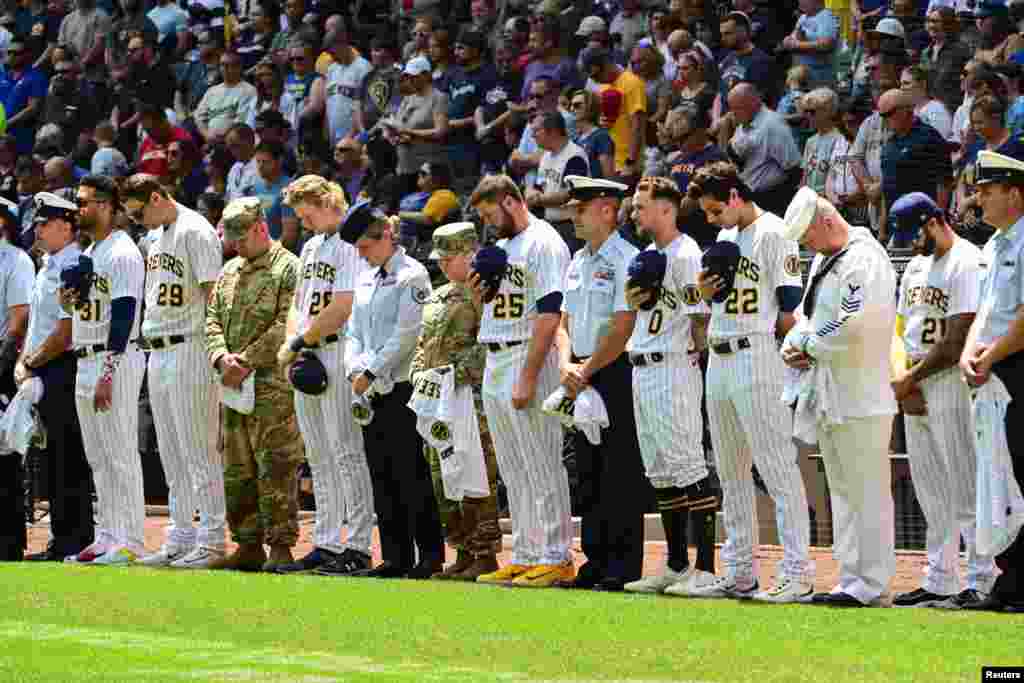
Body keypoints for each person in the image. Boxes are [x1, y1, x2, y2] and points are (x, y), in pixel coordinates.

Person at [687, 161, 813, 603]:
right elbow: (705, 304)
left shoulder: (775, 232)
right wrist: (701, 294)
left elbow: (789, 306)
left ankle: (798, 572)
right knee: (731, 472)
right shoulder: (724, 237)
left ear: (737, 195)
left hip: (756, 353)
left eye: (717, 208)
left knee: (777, 467)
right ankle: (740, 570)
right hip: (719, 358)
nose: (712, 217)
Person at [781, 186, 898, 608]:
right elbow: (809, 317)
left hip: (862, 393)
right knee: (844, 491)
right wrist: (797, 341)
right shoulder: (823, 260)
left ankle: (871, 580)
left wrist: (808, 343)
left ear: (826, 221)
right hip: (830, 391)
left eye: (808, 237)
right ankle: (852, 577)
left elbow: (851, 321)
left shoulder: (865, 259)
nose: (807, 246)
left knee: (867, 489)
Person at [887, 192, 995, 609]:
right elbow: (897, 330)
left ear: (934, 221)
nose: (912, 245)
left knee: (965, 483)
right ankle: (940, 577)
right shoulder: (915, 266)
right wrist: (903, 380)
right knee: (932, 489)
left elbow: (957, 338)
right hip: (914, 379)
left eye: (916, 235)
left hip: (949, 379)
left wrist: (910, 380)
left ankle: (981, 577)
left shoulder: (966, 261)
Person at [468, 174, 574, 588]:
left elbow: (550, 313)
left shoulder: (544, 242)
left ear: (511, 202)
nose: (489, 222)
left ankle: (557, 555)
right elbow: (497, 308)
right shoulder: (502, 248)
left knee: (542, 462)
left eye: (491, 213)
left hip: (528, 354)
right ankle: (527, 552)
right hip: (496, 353)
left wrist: (528, 377)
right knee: (514, 467)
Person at [120, 175, 227, 570]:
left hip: (191, 347)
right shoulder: (154, 237)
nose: (137, 221)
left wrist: (217, 352)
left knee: (200, 451)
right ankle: (181, 538)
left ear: (155, 196)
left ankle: (213, 540)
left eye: (138, 212)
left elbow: (215, 298)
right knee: (172, 455)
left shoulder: (196, 231)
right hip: (159, 349)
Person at [273, 175, 377, 576]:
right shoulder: (312, 246)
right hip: (309, 352)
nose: (304, 222)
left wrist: (300, 341)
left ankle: (358, 545)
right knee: (317, 455)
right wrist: (292, 344)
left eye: (308, 213)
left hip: (337, 349)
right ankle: (328, 540)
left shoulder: (350, 244)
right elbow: (297, 305)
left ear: (328, 202)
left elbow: (344, 304)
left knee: (347, 452)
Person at [619, 176, 715, 597]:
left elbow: (699, 317)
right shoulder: (647, 255)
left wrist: (695, 357)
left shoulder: (687, 253)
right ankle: (677, 565)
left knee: (689, 466)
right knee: (660, 471)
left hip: (673, 366)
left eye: (642, 206)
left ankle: (707, 569)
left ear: (666, 208)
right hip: (642, 365)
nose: (635, 213)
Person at [552, 176, 649, 592]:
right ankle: (595, 558)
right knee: (587, 469)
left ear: (607, 210)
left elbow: (624, 325)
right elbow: (563, 321)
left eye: (581, 208)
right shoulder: (577, 261)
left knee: (618, 468)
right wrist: (564, 363)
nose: (573, 215)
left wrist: (586, 368)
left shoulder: (628, 258)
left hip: (612, 370)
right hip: (579, 370)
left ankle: (622, 564)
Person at [342, 201, 444, 579]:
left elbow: (406, 335)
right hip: (369, 389)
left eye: (366, 247)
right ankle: (395, 555)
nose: (362, 254)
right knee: (381, 473)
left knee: (411, 473)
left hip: (400, 385)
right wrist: (355, 368)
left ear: (385, 236)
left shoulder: (412, 276)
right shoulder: (365, 276)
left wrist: (370, 370)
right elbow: (353, 331)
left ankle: (429, 555)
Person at [205, 197, 304, 573]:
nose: (236, 245)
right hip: (232, 384)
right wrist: (220, 357)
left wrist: (245, 359)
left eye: (242, 238)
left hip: (270, 385)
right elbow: (211, 318)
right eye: (231, 240)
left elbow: (286, 324)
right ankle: (247, 543)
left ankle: (280, 546)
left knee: (276, 466)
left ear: (261, 228)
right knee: (237, 468)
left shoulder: (289, 269)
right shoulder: (229, 271)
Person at [409, 221, 502, 581]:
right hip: (437, 401)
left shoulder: (483, 294)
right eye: (441, 259)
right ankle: (461, 549)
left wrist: (454, 375)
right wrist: (420, 374)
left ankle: (484, 552)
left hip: (469, 397)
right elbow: (422, 344)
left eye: (449, 258)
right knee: (443, 475)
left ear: (469, 255)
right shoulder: (436, 296)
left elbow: (490, 341)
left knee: (476, 473)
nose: (443, 265)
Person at [63, 174, 147, 566]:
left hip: (114, 356)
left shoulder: (121, 251)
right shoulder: (92, 251)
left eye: (85, 202)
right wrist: (68, 299)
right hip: (86, 355)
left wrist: (109, 372)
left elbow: (125, 314)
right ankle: (107, 534)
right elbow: (81, 311)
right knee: (97, 455)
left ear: (107, 206)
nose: (79, 209)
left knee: (120, 452)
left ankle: (130, 538)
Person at [959, 150, 1024, 613]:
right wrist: (968, 354)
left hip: (1017, 367)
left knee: (1022, 474)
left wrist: (991, 355)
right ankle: (1011, 578)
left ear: (1014, 194)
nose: (978, 198)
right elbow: (984, 313)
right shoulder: (994, 245)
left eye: (987, 190)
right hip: (991, 369)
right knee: (997, 475)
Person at [18, 193, 92, 562]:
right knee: (52, 458)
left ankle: (73, 539)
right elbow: (37, 324)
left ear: (66, 225)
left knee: (68, 457)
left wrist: (30, 362)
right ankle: (61, 538)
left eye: (44, 225)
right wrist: (25, 362)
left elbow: (66, 329)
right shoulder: (47, 264)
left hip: (62, 367)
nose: (39, 232)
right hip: (40, 367)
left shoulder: (74, 264)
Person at [0, 195, 33, 562]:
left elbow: (18, 319)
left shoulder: (16, 261)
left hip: (1, 368)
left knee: (3, 456)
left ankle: (8, 541)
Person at [877, 89, 953, 246]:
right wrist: (883, 228)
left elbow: (944, 183)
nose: (884, 120)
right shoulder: (889, 144)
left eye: (888, 114)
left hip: (922, 225)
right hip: (895, 227)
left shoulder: (929, 138)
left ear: (906, 110)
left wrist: (937, 224)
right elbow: (886, 187)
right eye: (881, 115)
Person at [726, 82, 802, 217]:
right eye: (731, 108)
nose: (733, 114)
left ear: (752, 103)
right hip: (750, 197)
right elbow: (738, 158)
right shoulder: (744, 124)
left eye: (737, 108)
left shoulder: (772, 124)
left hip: (773, 200)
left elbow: (794, 168)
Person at [527, 111, 590, 251]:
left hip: (571, 228)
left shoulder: (575, 156)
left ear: (553, 131)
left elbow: (569, 195)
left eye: (537, 130)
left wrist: (537, 200)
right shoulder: (546, 156)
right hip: (550, 225)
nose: (532, 135)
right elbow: (539, 187)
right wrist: (531, 192)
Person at [581, 46, 646, 180]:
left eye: (597, 75)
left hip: (626, 164)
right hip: (609, 161)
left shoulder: (632, 83)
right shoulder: (604, 87)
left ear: (607, 64)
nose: (595, 80)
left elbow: (638, 126)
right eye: (592, 77)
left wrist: (630, 162)